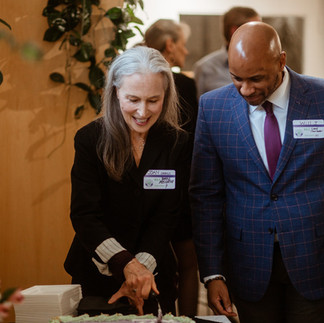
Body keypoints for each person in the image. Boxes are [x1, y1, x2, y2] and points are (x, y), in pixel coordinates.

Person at [189, 21, 324, 323]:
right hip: (247, 263)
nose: (246, 90)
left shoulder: (320, 99)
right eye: (237, 78)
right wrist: (213, 273)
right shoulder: (214, 108)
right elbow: (205, 196)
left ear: (281, 61)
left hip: (313, 258)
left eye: (256, 79)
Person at [64, 46, 191, 316]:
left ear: (165, 96)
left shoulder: (176, 142)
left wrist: (141, 270)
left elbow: (168, 215)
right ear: (115, 92)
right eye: (133, 99)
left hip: (155, 275)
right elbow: (85, 215)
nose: (142, 112)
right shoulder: (90, 140)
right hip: (98, 275)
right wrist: (126, 265)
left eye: (153, 100)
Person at [144, 19, 199, 317]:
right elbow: (193, 141)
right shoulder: (183, 84)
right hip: (178, 182)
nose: (186, 50)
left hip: (144, 187)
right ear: (169, 46)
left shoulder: (128, 76)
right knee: (188, 264)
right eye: (182, 43)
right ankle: (187, 319)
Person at [193, 6, 261, 97]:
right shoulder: (205, 68)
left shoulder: (265, 65)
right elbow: (200, 108)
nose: (261, 35)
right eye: (256, 29)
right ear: (235, 31)